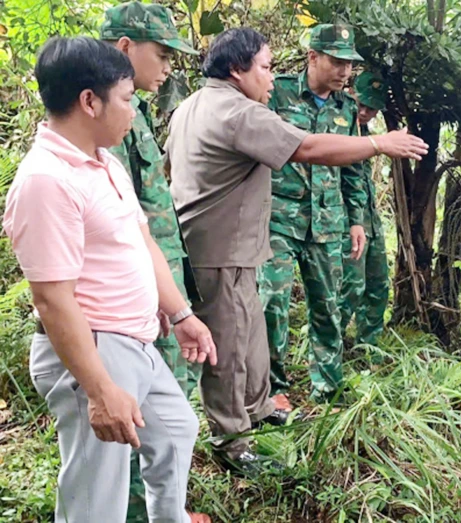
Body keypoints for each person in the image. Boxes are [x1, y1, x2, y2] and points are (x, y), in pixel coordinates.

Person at [166, 27, 427, 474]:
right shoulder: (238, 112)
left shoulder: (191, 103)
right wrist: (378, 143)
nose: (271, 78)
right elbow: (304, 147)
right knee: (227, 349)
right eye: (265, 68)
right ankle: (232, 441)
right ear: (236, 69)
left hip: (232, 246)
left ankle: (259, 407)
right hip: (221, 248)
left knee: (249, 337)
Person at [3, 36, 217, 523]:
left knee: (176, 430)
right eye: (125, 98)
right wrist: (99, 391)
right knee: (95, 495)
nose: (132, 109)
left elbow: (143, 245)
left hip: (136, 341)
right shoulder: (46, 181)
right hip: (96, 350)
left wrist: (181, 313)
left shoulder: (105, 162)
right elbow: (53, 299)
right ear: (89, 101)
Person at [99, 3, 208, 522]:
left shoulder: (133, 107)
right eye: (161, 55)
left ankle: (163, 511)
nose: (168, 68)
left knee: (170, 415)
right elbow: (117, 226)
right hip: (130, 295)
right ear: (125, 48)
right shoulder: (102, 115)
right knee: (140, 413)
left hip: (156, 281)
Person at [258, 23, 369, 412]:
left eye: (349, 64)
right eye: (337, 62)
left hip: (327, 221)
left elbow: (354, 168)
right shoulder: (279, 92)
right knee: (273, 301)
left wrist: (357, 220)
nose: (344, 72)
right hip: (279, 218)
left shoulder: (347, 107)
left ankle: (328, 386)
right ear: (313, 57)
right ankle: (271, 387)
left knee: (328, 304)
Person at [338, 71, 390, 350]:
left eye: (372, 108)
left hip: (370, 218)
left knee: (378, 283)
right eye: (361, 104)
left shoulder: (365, 132)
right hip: (346, 220)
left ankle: (368, 347)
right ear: (350, 94)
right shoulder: (336, 128)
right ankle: (329, 346)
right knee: (350, 286)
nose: (365, 112)